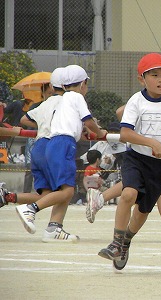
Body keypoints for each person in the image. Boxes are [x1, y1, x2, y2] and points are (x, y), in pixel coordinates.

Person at [98, 53, 161, 270]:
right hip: (137, 159)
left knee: (143, 210)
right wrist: (151, 142)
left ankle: (126, 242)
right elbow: (125, 133)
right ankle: (116, 242)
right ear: (142, 79)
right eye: (154, 75)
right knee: (128, 193)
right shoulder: (136, 100)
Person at [14, 65, 107, 243]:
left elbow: (72, 124)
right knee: (67, 191)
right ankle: (31, 209)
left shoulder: (61, 100)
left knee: (62, 189)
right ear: (83, 84)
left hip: (50, 144)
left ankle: (54, 228)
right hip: (63, 144)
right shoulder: (76, 97)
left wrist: (83, 129)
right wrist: (100, 132)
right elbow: (87, 120)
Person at [0, 69, 65, 209]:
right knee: (64, 192)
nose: (50, 94)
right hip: (48, 145)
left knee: (47, 196)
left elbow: (24, 119)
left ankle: (8, 196)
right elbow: (24, 119)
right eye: (48, 92)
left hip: (40, 145)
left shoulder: (47, 104)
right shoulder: (51, 104)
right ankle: (49, 222)